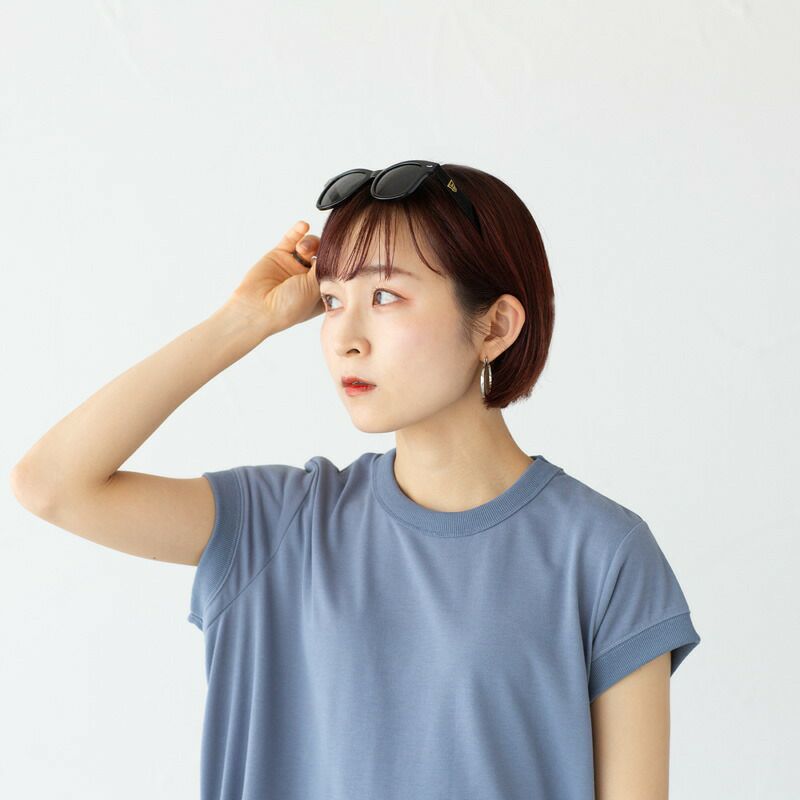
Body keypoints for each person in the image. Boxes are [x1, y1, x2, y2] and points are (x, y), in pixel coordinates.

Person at [11, 161, 701, 800]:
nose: (346, 336)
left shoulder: (602, 555)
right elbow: (51, 485)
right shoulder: (278, 527)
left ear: (494, 326)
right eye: (332, 300)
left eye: (385, 295)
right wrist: (246, 320)